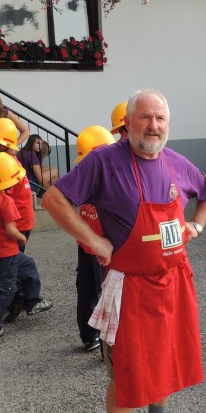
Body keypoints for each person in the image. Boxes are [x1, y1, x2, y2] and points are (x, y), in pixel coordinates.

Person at [42, 89, 206, 413]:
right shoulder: (104, 162)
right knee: (125, 374)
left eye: (160, 118)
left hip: (174, 282)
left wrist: (196, 226)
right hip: (130, 288)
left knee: (166, 360)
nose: (153, 126)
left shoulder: (176, 162)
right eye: (145, 117)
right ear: (127, 123)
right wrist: (94, 241)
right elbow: (53, 199)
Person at [0, 153, 53, 342]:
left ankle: (32, 302)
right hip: (7, 251)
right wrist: (22, 239)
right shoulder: (6, 201)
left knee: (28, 265)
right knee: (5, 289)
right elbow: (11, 230)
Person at [71, 126, 117, 352]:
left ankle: (89, 336)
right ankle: (107, 347)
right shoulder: (108, 180)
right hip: (103, 248)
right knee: (107, 295)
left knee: (86, 291)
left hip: (86, 244)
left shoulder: (84, 177)